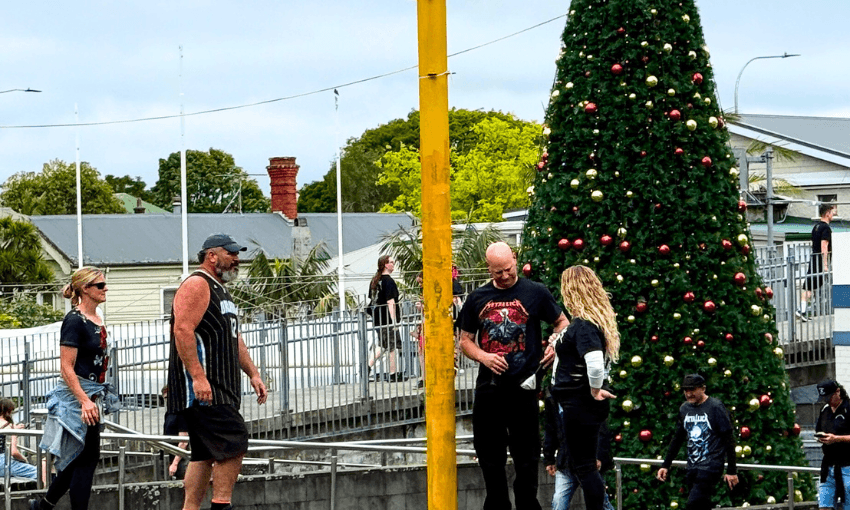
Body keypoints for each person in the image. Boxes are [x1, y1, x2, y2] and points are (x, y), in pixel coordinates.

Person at [457, 242, 568, 510]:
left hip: (524, 388)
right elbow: (465, 341)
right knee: (489, 456)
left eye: (507, 270)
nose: (504, 277)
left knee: (527, 457)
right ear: (489, 269)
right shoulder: (477, 298)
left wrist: (554, 343)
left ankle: (527, 505)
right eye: (497, 273)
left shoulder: (536, 292)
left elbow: (562, 321)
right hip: (490, 388)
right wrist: (484, 356)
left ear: (515, 260)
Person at [166, 233, 268, 510]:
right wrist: (199, 377)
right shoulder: (197, 283)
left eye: (237, 253)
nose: (236, 258)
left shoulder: (220, 288)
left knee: (203, 454)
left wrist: (253, 373)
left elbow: (234, 337)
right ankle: (221, 505)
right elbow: (183, 330)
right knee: (234, 442)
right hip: (204, 388)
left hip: (222, 384)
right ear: (212, 255)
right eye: (230, 253)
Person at [31, 267, 121, 510]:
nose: (106, 289)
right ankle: (47, 506)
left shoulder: (97, 317)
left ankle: (43, 505)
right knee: (86, 458)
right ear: (85, 289)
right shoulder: (74, 320)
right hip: (77, 396)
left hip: (92, 393)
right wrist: (84, 400)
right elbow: (66, 367)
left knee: (80, 457)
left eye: (105, 284)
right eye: (100, 285)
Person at [551, 265, 619, 510]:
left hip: (579, 403)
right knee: (586, 466)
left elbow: (595, 364)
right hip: (583, 404)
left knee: (585, 468)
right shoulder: (588, 325)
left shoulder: (583, 326)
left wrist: (594, 390)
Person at [657, 374, 738, 510]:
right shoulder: (684, 409)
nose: (689, 394)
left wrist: (731, 470)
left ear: (703, 389)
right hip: (693, 465)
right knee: (702, 505)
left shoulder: (715, 407)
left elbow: (728, 439)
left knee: (693, 504)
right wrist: (666, 465)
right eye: (686, 390)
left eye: (692, 390)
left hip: (711, 465)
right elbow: (678, 438)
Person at [542, 389, 614, 510]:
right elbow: (551, 430)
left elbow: (601, 431)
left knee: (601, 501)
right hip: (567, 462)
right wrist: (549, 459)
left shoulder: (585, 398)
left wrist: (599, 456)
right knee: (559, 501)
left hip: (586, 461)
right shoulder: (553, 401)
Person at [367, 255, 406, 382]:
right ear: (385, 265)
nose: (393, 264)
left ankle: (367, 367)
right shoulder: (388, 281)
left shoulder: (375, 281)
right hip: (387, 319)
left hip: (378, 319)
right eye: (391, 262)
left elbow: (372, 300)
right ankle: (393, 374)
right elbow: (391, 302)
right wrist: (394, 321)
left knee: (384, 346)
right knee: (392, 347)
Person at [814, 379, 850, 510]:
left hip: (847, 465)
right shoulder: (825, 410)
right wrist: (821, 437)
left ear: (838, 392)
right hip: (828, 465)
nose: (827, 401)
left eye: (829, 397)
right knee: (824, 505)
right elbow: (818, 429)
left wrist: (837, 439)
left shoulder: (848, 408)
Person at [799, 203, 836, 321]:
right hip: (819, 261)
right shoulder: (826, 228)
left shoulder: (816, 227)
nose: (833, 214)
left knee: (809, 286)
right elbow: (824, 246)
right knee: (812, 285)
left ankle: (802, 310)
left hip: (813, 258)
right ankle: (801, 310)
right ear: (827, 213)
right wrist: (825, 264)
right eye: (832, 212)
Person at [0, 398, 37, 481]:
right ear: (8, 412)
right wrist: (25, 459)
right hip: (3, 463)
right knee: (38, 472)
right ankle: (42, 492)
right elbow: (14, 452)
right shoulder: (9, 426)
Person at [161, 385, 190, 479]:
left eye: (169, 397)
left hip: (181, 458)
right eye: (165, 398)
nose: (167, 401)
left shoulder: (181, 413)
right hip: (170, 456)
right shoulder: (169, 413)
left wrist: (175, 463)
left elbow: (183, 441)